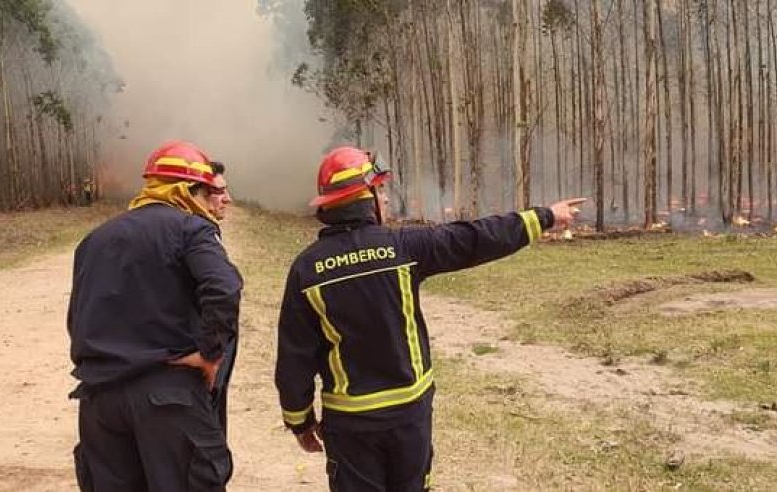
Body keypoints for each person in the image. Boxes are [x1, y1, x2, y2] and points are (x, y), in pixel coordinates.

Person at [274, 146, 586, 491]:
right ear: (368, 197)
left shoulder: (306, 270)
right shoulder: (403, 247)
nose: (386, 200)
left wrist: (300, 421)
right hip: (409, 416)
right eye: (381, 191)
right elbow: (474, 239)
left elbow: (294, 357)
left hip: (350, 424)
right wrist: (543, 217)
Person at [67, 141, 243, 492]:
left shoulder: (94, 240)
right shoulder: (191, 229)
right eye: (206, 191)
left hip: (99, 403)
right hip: (167, 396)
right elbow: (224, 288)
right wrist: (210, 353)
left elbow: (77, 317)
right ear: (187, 190)